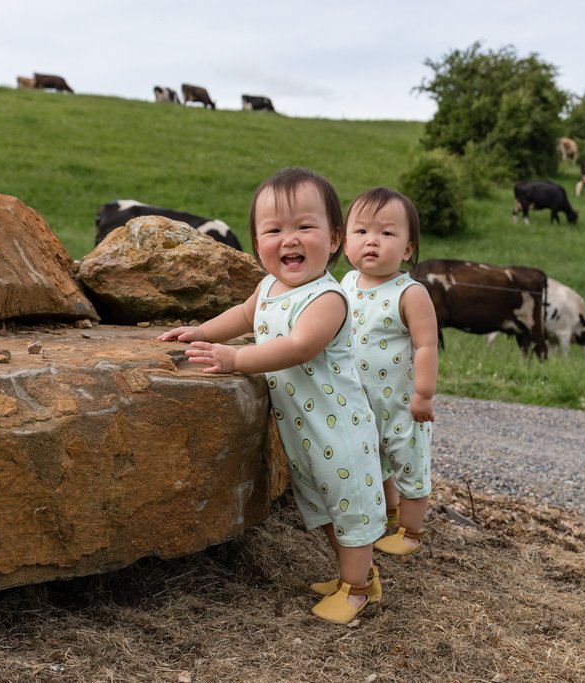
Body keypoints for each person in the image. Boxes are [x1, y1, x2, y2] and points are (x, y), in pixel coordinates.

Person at [157, 168, 386, 624]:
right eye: (274, 229)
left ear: (336, 238)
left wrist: (236, 360)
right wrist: (201, 330)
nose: (289, 240)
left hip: (339, 431)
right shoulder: (267, 287)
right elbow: (244, 315)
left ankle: (359, 589)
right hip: (306, 432)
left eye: (304, 226)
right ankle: (353, 577)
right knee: (326, 509)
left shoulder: (327, 298)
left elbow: (300, 345)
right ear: (256, 240)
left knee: (350, 512)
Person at [339, 187, 437, 556]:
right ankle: (389, 512)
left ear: (408, 249)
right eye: (361, 232)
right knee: (374, 460)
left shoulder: (410, 293)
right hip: (360, 400)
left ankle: (411, 532)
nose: (372, 242)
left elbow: (425, 346)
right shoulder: (346, 284)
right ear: (345, 240)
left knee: (408, 461)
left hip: (400, 403)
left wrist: (423, 394)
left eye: (387, 233)